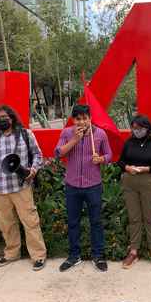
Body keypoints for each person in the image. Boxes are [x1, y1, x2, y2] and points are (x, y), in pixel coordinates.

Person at [0, 105, 46, 271]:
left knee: (30, 221)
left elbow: (38, 155)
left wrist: (33, 171)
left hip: (21, 187)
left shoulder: (25, 134)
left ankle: (38, 255)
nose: (2, 120)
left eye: (5, 117)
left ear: (12, 117)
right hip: (0, 188)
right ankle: (12, 253)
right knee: (6, 223)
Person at [55, 105, 113, 272]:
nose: (81, 122)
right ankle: (74, 256)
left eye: (84, 118)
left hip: (93, 185)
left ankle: (98, 255)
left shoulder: (100, 134)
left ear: (90, 118)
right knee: (73, 222)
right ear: (74, 120)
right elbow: (58, 153)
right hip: (72, 185)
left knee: (96, 221)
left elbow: (110, 155)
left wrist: (101, 159)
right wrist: (75, 140)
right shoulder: (67, 133)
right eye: (78, 119)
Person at [118, 115, 151, 270]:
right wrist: (126, 168)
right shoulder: (129, 143)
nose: (136, 131)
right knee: (134, 217)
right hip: (130, 181)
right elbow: (121, 161)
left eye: (139, 128)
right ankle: (133, 251)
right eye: (134, 128)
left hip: (149, 182)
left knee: (150, 217)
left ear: (147, 128)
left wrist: (147, 168)